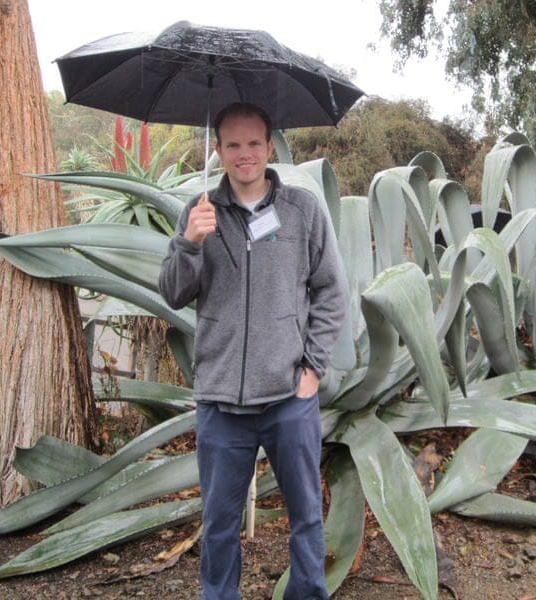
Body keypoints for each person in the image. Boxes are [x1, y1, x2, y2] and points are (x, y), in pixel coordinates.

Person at [158, 102, 346, 600]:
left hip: (288, 397)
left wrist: (311, 370)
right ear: (218, 149)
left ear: (270, 146)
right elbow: (173, 293)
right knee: (218, 526)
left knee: (306, 516)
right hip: (222, 404)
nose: (245, 155)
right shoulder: (199, 213)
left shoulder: (302, 211)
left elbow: (330, 292)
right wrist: (191, 243)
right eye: (234, 145)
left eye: (254, 143)